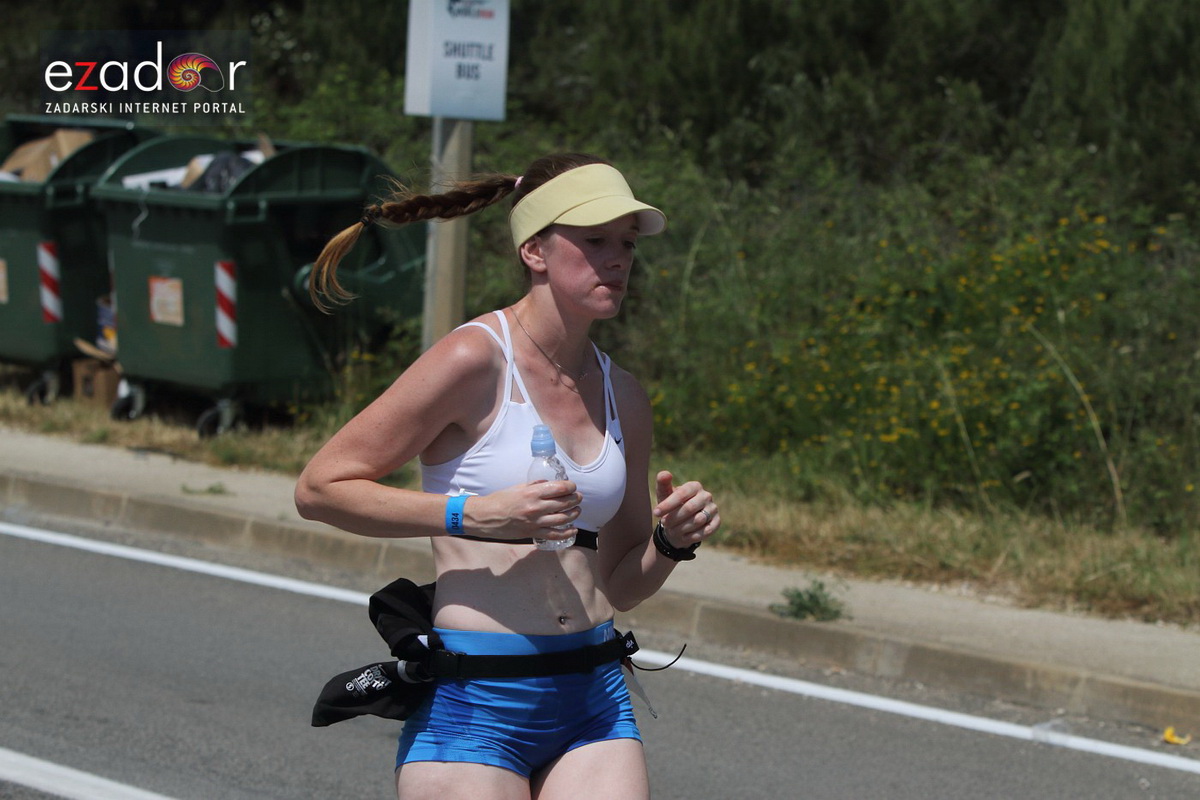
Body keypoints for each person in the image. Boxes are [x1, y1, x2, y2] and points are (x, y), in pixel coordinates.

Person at [295, 152, 721, 800]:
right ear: (535, 252)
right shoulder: (475, 359)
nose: (618, 259)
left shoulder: (623, 393)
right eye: (595, 241)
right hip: (475, 700)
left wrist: (671, 545)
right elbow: (320, 488)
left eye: (627, 244)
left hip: (593, 694)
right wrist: (474, 515)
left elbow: (622, 582)